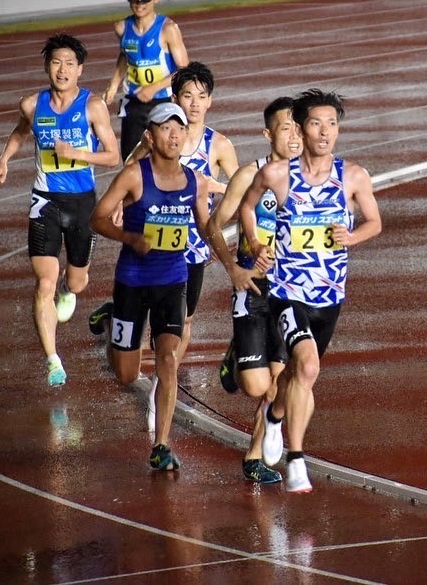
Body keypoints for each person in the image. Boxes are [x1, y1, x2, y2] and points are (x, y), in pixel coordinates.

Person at [239, 89, 382, 493]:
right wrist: (255, 243)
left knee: (298, 378)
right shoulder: (278, 175)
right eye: (317, 123)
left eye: (332, 124)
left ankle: (273, 417)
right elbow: (247, 207)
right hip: (287, 291)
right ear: (301, 128)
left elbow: (375, 222)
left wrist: (351, 237)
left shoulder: (352, 176)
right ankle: (297, 460)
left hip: (329, 296)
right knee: (308, 367)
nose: (325, 132)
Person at [88, 102, 214, 471]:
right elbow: (97, 218)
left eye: (179, 129)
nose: (173, 135)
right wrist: (130, 236)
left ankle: (161, 444)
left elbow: (205, 225)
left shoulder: (195, 181)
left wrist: (229, 253)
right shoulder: (133, 175)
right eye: (164, 128)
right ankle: (114, 319)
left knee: (168, 359)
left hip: (173, 280)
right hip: (133, 282)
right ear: (150, 135)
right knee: (127, 374)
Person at [0, 33, 121, 387]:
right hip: (45, 200)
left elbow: (114, 156)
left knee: (76, 282)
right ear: (47, 67)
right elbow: (21, 132)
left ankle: (68, 290)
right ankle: (53, 359)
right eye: (55, 62)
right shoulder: (33, 105)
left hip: (82, 203)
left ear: (80, 69)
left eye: (69, 64)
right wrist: (4, 160)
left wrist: (79, 154)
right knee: (43, 282)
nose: (62, 70)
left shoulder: (93, 106)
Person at [204, 97, 303, 485]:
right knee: (256, 385)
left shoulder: (314, 180)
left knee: (280, 382)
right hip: (253, 287)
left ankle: (253, 456)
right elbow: (213, 225)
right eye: (285, 128)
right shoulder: (250, 176)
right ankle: (236, 354)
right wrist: (232, 269)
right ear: (268, 134)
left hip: (292, 290)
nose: (294, 136)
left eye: (299, 127)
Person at [131, 61, 240, 366]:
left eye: (201, 96)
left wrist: (217, 222)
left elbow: (239, 189)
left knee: (186, 318)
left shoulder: (219, 145)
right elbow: (130, 167)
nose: (194, 103)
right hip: (154, 236)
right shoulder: (158, 136)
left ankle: (167, 380)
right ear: (175, 98)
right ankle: (119, 314)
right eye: (187, 95)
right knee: (150, 308)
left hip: (193, 245)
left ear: (210, 101)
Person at [102, 0, 189, 160]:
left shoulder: (168, 29)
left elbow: (185, 71)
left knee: (167, 157)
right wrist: (114, 85)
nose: (140, 5)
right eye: (135, 0)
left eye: (145, 1)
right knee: (131, 160)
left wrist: (153, 88)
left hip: (163, 102)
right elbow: (125, 56)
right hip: (134, 103)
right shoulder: (122, 28)